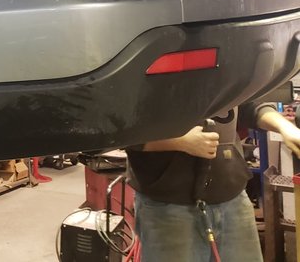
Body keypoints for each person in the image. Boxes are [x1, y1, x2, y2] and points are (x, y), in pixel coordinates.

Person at [126, 99, 300, 261]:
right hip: (167, 205)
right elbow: (118, 130)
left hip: (232, 196)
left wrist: (285, 127)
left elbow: (249, 104)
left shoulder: (230, 75)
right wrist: (179, 141)